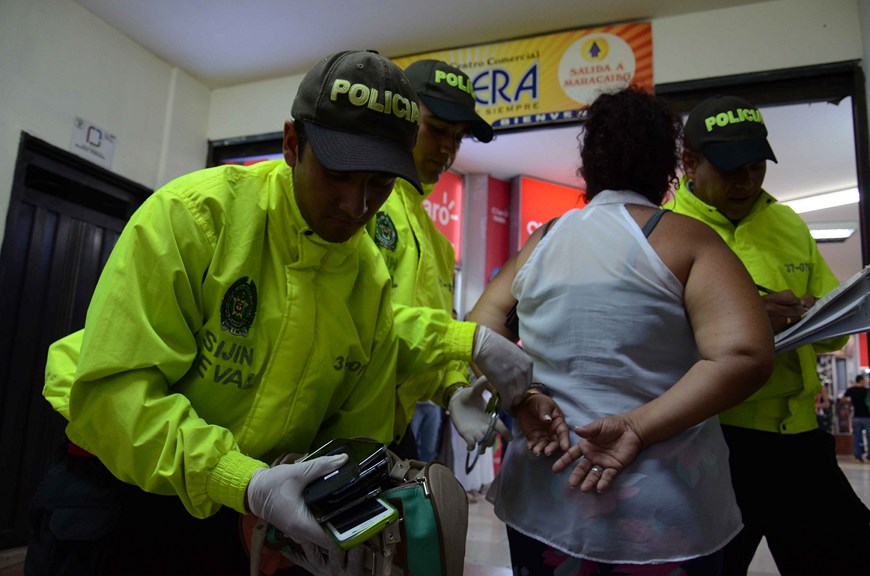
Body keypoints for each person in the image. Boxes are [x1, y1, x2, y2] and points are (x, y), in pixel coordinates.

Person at [25, 50, 530, 576]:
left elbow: (351, 441)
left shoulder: (369, 283)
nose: (356, 205)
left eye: (379, 183)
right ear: (292, 144)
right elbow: (114, 391)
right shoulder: (195, 218)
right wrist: (240, 479)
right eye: (338, 174)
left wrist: (333, 509)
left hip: (246, 507)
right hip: (117, 488)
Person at [467, 85, 775, 575]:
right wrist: (635, 426)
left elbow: (480, 327)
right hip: (664, 508)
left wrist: (525, 396)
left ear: (589, 165)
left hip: (546, 499)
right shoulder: (691, 241)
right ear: (668, 168)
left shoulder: (544, 240)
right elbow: (745, 355)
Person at [665, 94, 870, 575]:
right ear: (690, 163)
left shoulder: (786, 222)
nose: (747, 182)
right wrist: (747, 318)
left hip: (799, 437)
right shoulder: (665, 231)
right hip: (713, 443)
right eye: (731, 169)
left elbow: (832, 337)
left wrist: (819, 316)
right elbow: (650, 343)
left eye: (756, 167)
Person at [367, 59, 496, 462]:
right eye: (437, 129)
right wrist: (464, 338)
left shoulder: (439, 246)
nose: (447, 149)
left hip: (392, 431)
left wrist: (454, 388)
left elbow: (426, 344)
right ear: (401, 115)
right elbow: (362, 321)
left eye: (457, 138)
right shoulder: (359, 205)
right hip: (329, 429)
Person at [842, 373, 870, 462]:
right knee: (869, 437)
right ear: (861, 381)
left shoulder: (851, 390)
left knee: (857, 438)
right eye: (864, 380)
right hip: (867, 417)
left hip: (856, 416)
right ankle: (869, 457)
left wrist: (850, 402)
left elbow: (842, 399)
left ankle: (858, 457)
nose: (865, 382)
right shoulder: (867, 391)